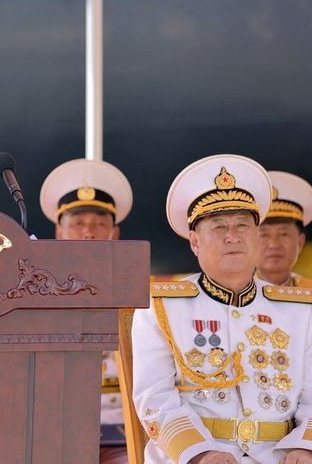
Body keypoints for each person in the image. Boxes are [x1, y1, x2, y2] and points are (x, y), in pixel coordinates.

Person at [132, 154, 312, 464]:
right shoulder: (161, 305)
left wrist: (304, 447)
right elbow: (154, 398)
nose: (232, 236)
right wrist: (200, 453)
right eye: (218, 227)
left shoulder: (300, 310)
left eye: (243, 225)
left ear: (256, 237)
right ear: (194, 242)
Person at [40, 158, 133, 464]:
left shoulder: (137, 295)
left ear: (114, 234)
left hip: (124, 434)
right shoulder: (39, 295)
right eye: (77, 222)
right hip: (57, 432)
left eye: (99, 223)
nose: (89, 232)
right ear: (59, 231)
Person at [257, 171, 312, 287]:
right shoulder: (231, 297)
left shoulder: (309, 292)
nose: (273, 244)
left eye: (284, 234)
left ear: (300, 242)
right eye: (264, 234)